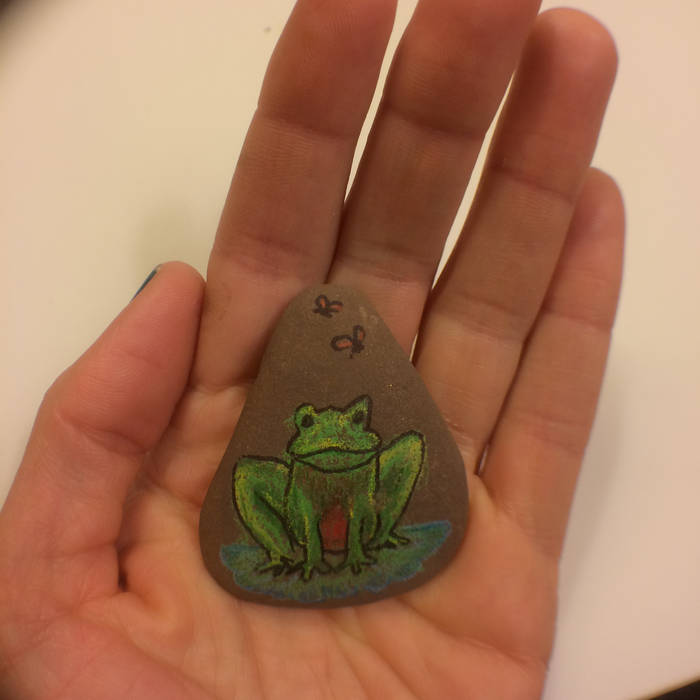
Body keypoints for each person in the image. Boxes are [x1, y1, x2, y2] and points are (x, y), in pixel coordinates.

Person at [0, 0, 623, 697]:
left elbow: (369, 492)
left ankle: (356, 546)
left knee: (401, 460)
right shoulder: (291, 454)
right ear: (299, 428)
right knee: (260, 483)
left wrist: (363, 541)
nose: (330, 426)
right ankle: (298, 555)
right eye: (310, 422)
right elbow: (294, 497)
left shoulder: (376, 449)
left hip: (368, 517)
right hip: (296, 534)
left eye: (350, 421)